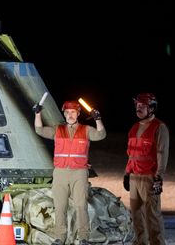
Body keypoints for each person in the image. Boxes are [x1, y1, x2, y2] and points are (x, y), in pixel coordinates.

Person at [35, 99, 106, 245]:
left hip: (79, 172)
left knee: (81, 205)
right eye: (67, 112)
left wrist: (98, 119)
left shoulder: (86, 130)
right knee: (60, 206)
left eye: (73, 112)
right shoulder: (57, 129)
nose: (70, 115)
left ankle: (84, 237)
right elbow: (39, 130)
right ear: (65, 114)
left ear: (78, 113)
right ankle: (60, 237)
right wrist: (37, 114)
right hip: (60, 172)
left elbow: (100, 135)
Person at [124, 92, 169, 245]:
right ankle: (140, 242)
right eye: (137, 105)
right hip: (134, 177)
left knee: (152, 215)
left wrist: (158, 177)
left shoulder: (159, 127)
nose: (138, 108)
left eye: (142, 106)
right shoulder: (134, 127)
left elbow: (162, 153)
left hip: (149, 177)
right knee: (136, 215)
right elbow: (131, 154)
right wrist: (127, 173)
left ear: (151, 108)